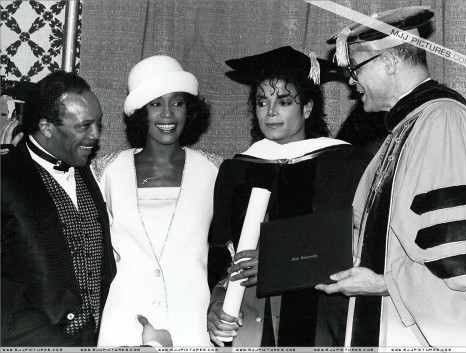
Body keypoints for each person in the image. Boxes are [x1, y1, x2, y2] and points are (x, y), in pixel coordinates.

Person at [315, 6, 466, 347]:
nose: (351, 82)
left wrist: (385, 284)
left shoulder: (444, 123)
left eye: (355, 69)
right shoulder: (407, 128)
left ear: (388, 63)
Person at [207, 46, 372, 347]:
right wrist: (217, 301)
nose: (270, 113)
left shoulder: (344, 164)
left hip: (321, 316)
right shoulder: (236, 169)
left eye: (283, 102)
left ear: (307, 108)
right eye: (261, 102)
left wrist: (279, 261)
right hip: (251, 320)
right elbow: (221, 254)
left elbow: (353, 243)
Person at [93, 55, 221, 347]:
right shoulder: (105, 171)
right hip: (124, 321)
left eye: (177, 102)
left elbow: (229, 251)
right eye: (155, 104)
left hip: (195, 323)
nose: (167, 115)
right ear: (140, 112)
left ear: (189, 110)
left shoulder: (215, 170)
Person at [1, 71, 116, 346]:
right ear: (47, 127)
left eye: (98, 123)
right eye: (83, 126)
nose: (96, 135)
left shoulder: (92, 172)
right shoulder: (6, 178)